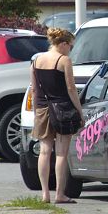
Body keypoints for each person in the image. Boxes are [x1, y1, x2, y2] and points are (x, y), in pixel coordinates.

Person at [30, 27, 83, 204]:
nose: (71, 49)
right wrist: (79, 111)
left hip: (42, 109)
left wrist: (37, 111)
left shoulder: (37, 60)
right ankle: (59, 194)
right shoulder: (64, 60)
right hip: (63, 109)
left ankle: (45, 194)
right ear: (63, 44)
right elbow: (71, 89)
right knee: (61, 153)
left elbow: (34, 89)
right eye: (71, 46)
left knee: (44, 151)